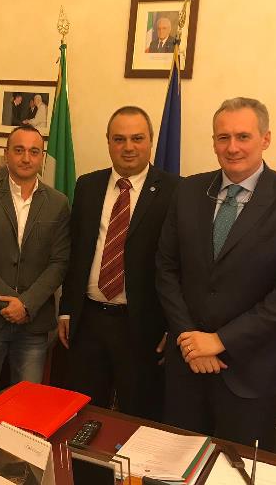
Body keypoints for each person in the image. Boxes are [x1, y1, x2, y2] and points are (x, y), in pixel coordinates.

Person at [156, 97, 276, 448]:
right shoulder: (187, 190)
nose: (232, 147)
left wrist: (219, 341)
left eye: (243, 136)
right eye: (223, 137)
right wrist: (189, 338)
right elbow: (166, 269)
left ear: (265, 139)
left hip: (252, 375)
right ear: (214, 142)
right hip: (187, 365)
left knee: (238, 469)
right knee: (177, 465)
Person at [57, 107, 179, 421]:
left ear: (151, 141)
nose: (128, 147)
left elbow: (180, 264)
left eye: (137, 138)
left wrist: (173, 325)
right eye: (119, 139)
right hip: (88, 321)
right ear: (108, 142)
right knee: (82, 413)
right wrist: (67, 309)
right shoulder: (88, 185)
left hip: (141, 325)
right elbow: (77, 252)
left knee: (138, 415)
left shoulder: (175, 191)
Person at [0, 124, 70, 405]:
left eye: (34, 152)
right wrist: (10, 304)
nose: (26, 158)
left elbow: (59, 263)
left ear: (42, 157)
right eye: (19, 150)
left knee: (27, 404)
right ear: (7, 154)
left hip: (33, 324)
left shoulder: (58, 203)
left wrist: (26, 305)